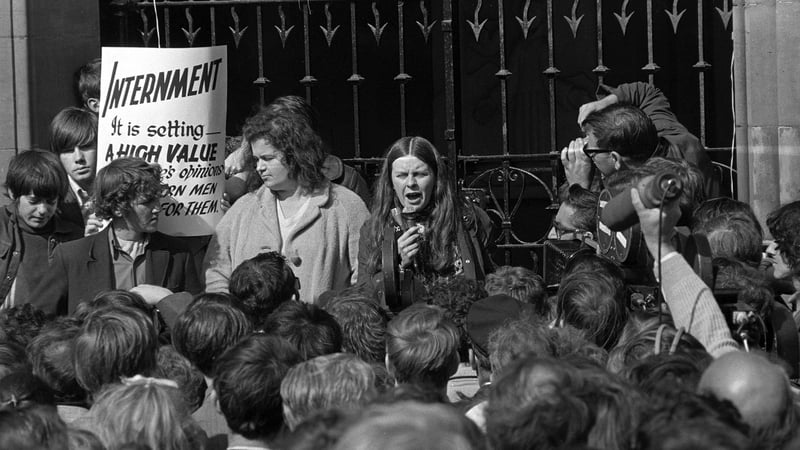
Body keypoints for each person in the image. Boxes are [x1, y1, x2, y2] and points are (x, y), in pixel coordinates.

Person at [204, 100, 370, 302]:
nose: (259, 167)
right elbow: (215, 269)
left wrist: (337, 322)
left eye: (268, 158)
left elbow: (364, 278)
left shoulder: (344, 206)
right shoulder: (243, 209)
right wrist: (230, 316)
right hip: (253, 331)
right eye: (256, 159)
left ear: (295, 153)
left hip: (319, 330)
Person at [31, 157, 202, 315]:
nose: (157, 208)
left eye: (157, 199)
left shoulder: (178, 253)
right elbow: (37, 319)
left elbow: (196, 322)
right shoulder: (71, 257)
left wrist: (166, 299)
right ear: (118, 208)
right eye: (147, 202)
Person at [358, 136, 494, 310]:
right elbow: (365, 296)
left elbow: (489, 277)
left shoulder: (466, 218)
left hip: (458, 323)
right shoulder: (374, 229)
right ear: (390, 182)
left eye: (420, 174)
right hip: (408, 329)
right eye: (401, 175)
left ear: (436, 178)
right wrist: (394, 265)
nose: (411, 183)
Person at [0, 151, 83, 311]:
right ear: (12, 193)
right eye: (34, 201)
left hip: (51, 332)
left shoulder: (73, 237)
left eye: (51, 202)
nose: (43, 210)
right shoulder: (2, 225)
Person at [48, 107, 101, 232]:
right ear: (57, 155)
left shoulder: (119, 188)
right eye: (68, 150)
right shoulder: (51, 199)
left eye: (86, 146)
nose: (78, 158)